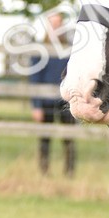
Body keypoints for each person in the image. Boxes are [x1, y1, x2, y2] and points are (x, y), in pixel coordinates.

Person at [31, 11, 76, 176]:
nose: (56, 27)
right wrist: (36, 105)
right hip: (46, 101)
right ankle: (44, 170)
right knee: (45, 137)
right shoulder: (40, 50)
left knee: (69, 137)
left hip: (66, 100)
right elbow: (34, 78)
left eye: (59, 24)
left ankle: (69, 171)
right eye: (53, 24)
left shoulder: (70, 48)